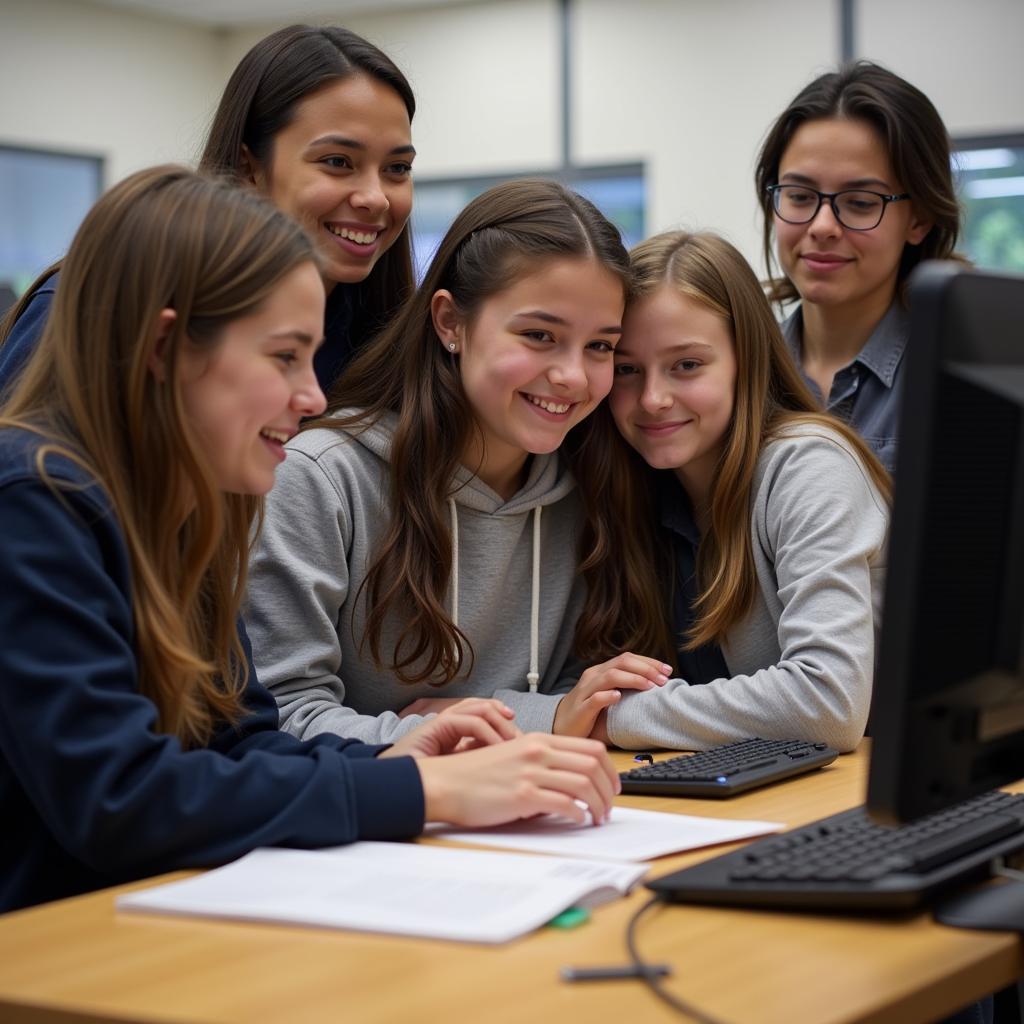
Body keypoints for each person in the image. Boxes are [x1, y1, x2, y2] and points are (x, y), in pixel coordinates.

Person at [0, 166, 620, 914]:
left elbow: (244, 742)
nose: (314, 395)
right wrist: (418, 789)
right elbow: (120, 797)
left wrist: (389, 756)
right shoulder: (34, 504)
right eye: (284, 356)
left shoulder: (185, 508)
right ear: (166, 350)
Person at [245, 178, 672, 746]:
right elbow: (281, 717)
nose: (572, 376)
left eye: (600, 346)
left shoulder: (589, 480)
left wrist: (498, 714)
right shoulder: (320, 479)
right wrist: (460, 731)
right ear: (450, 323)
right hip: (378, 821)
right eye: (540, 334)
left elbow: (581, 696)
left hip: (536, 809)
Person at [576, 230, 889, 753]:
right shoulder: (629, 485)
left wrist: (615, 717)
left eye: (687, 365)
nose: (652, 399)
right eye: (627, 369)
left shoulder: (809, 465)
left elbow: (829, 704)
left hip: (878, 800)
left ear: (747, 360)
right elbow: (584, 686)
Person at [0, 24, 416, 395]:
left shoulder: (386, 344)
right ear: (247, 167)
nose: (375, 197)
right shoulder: (105, 302)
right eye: (338, 162)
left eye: (397, 168)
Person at [754, 60, 961, 473]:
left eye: (861, 203)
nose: (823, 226)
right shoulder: (745, 371)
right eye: (799, 195)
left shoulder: (956, 379)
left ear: (918, 219)